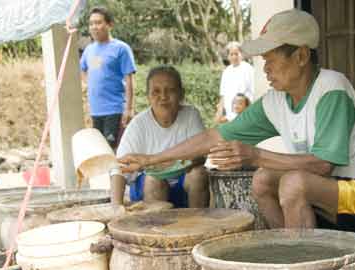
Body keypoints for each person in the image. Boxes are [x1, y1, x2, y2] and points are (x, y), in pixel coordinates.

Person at [118, 9, 355, 234]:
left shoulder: (331, 88)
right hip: (334, 200)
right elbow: (213, 137)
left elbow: (322, 165)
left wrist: (255, 154)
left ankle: (303, 266)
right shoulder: (275, 100)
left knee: (294, 183)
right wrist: (149, 160)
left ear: (301, 56)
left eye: (270, 59)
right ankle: (292, 247)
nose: (266, 68)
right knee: (262, 180)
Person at [110, 65, 209, 208]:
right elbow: (119, 167)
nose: (163, 97)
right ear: (148, 96)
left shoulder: (190, 116)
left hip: (182, 186)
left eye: (171, 90)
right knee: (154, 179)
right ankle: (156, 228)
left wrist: (169, 164)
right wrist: (116, 206)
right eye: (156, 92)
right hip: (146, 190)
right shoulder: (138, 124)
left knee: (198, 174)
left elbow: (201, 154)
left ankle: (198, 226)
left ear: (181, 94)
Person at [80, 7, 136, 149]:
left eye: (98, 23)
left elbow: (129, 79)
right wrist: (89, 87)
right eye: (91, 23)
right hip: (96, 111)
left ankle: (119, 171)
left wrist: (128, 109)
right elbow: (84, 70)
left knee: (111, 149)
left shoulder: (121, 49)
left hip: (115, 109)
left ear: (110, 25)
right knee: (100, 150)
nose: (94, 27)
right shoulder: (89, 50)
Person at [215, 41, 254, 124]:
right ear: (228, 56)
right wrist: (219, 114)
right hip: (229, 116)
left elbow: (252, 92)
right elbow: (223, 95)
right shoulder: (226, 71)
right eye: (231, 54)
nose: (234, 57)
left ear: (241, 54)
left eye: (236, 54)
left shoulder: (248, 69)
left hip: (244, 115)